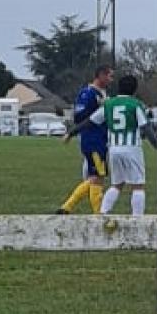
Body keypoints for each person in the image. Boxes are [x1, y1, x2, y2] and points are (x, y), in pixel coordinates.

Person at [67, 74, 157, 215]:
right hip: (131, 148)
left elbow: (89, 121)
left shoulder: (109, 104)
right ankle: (137, 218)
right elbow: (145, 127)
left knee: (117, 184)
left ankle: (103, 213)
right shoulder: (135, 104)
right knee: (138, 186)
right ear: (134, 90)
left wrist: (71, 132)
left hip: (114, 149)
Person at [55, 65, 112, 214]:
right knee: (97, 177)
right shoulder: (88, 93)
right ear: (100, 75)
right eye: (109, 76)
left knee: (96, 177)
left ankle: (69, 208)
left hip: (100, 140)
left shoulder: (103, 93)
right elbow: (80, 117)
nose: (111, 80)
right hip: (92, 140)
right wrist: (72, 132)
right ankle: (81, 209)